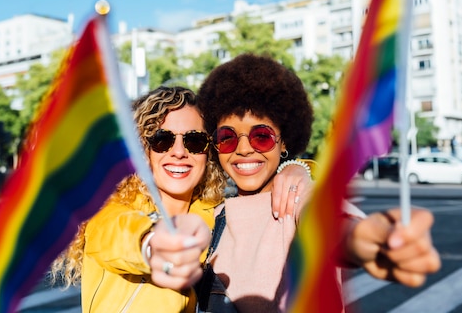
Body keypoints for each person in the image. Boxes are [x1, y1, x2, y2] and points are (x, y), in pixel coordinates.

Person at [149, 54, 441, 312]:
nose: (244, 149)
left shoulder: (297, 198)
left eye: (260, 135)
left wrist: (368, 241)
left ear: (284, 140)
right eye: (227, 137)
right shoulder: (211, 215)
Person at [49, 86, 313, 312]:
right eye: (162, 140)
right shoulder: (109, 210)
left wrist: (295, 168)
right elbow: (117, 235)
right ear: (143, 150)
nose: (179, 152)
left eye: (195, 141)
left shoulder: (216, 214)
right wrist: (154, 243)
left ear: (208, 153)